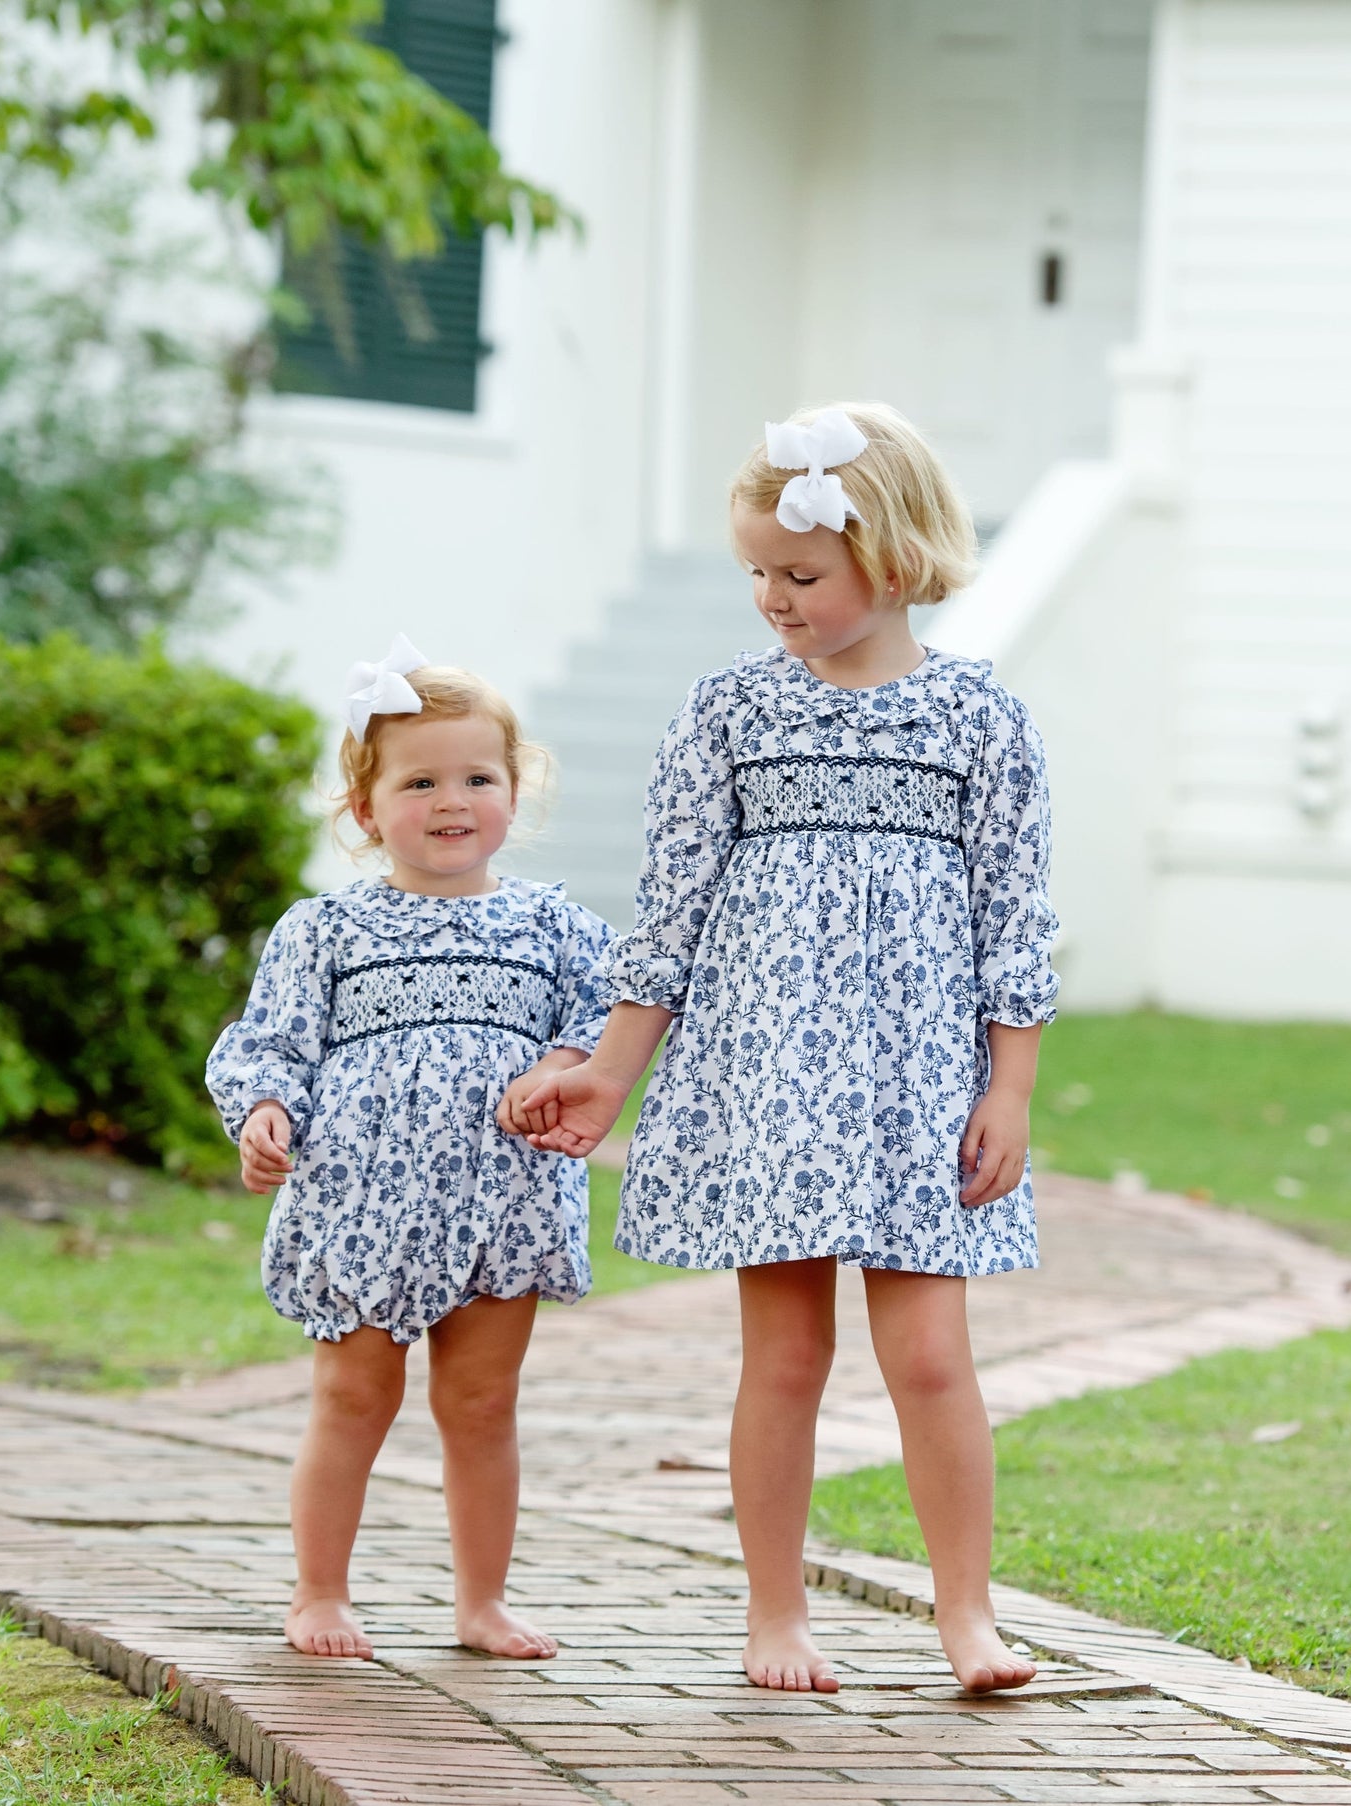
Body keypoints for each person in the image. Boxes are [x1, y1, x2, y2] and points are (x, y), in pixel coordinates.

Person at [510, 405, 1058, 1696]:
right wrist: (607, 1068)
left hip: (921, 1087)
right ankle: (775, 1610)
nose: (772, 596)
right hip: (769, 1082)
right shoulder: (727, 713)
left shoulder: (979, 718)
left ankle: (966, 1614)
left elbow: (1016, 918)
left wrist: (1011, 1085)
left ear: (898, 555)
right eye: (756, 570)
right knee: (787, 1353)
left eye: (799, 573)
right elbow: (673, 914)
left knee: (930, 1354)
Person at [207, 639, 612, 1661]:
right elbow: (271, 1043)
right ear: (364, 808)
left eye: (478, 777)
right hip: (359, 1202)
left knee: (480, 1402)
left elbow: (605, 1015)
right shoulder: (325, 930)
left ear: (514, 792)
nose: (451, 799)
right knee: (352, 1395)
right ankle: (319, 1591)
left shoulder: (551, 922)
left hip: (500, 1200)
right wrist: (262, 1112)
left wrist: (561, 1058)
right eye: (419, 780)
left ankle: (480, 1603)